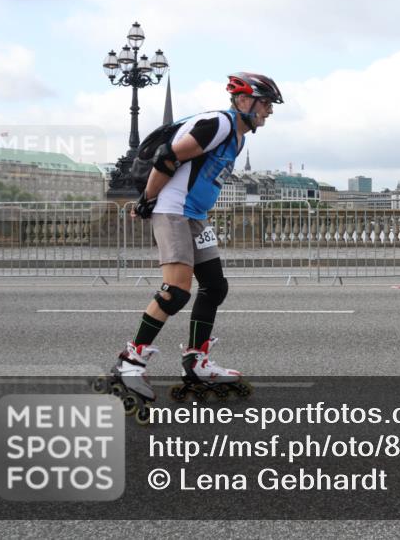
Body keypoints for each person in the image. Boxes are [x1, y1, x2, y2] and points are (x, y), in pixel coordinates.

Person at [99, 72, 282, 417]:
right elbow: (168, 158)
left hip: (194, 214)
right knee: (176, 291)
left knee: (215, 286)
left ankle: (196, 360)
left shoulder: (238, 137)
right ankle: (130, 362)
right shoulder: (220, 125)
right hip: (173, 211)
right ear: (244, 101)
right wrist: (147, 200)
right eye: (266, 103)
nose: (269, 111)